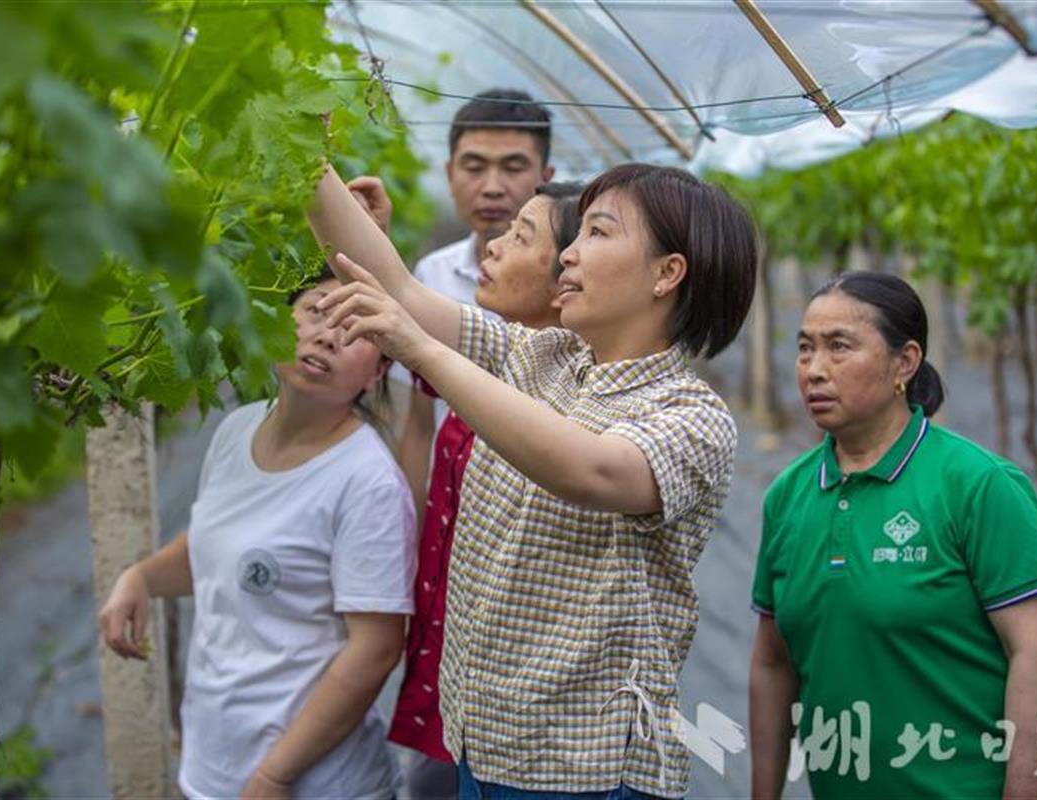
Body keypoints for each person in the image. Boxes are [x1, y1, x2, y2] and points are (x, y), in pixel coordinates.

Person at [307, 160, 758, 798]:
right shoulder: (543, 357)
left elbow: (593, 469)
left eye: (598, 233)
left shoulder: (692, 417)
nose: (568, 256)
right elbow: (398, 290)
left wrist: (423, 350)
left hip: (581, 769)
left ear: (667, 273)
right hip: (486, 743)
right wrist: (303, 157)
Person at [98, 269, 417, 800]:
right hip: (214, 765)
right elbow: (213, 546)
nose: (327, 334)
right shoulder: (237, 428)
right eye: (316, 310)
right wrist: (141, 577)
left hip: (311, 781)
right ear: (277, 320)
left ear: (377, 372)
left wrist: (275, 774)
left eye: (355, 328)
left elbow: (376, 651)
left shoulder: (368, 482)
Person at [749, 271, 1037, 799]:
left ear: (905, 362)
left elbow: (1035, 651)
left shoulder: (977, 486)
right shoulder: (789, 496)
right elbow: (773, 661)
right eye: (805, 349)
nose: (814, 370)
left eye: (839, 347)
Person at [376, 181, 583, 800]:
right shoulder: (503, 355)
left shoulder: (571, 396)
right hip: (458, 638)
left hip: (520, 691)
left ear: (568, 277)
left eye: (521, 237)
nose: (492, 247)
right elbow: (403, 294)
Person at [393, 88, 555, 521]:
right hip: (450, 509)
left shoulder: (570, 283)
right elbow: (420, 423)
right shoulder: (432, 276)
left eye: (514, 167)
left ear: (547, 177)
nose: (492, 187)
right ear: (449, 174)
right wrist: (412, 530)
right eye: (474, 166)